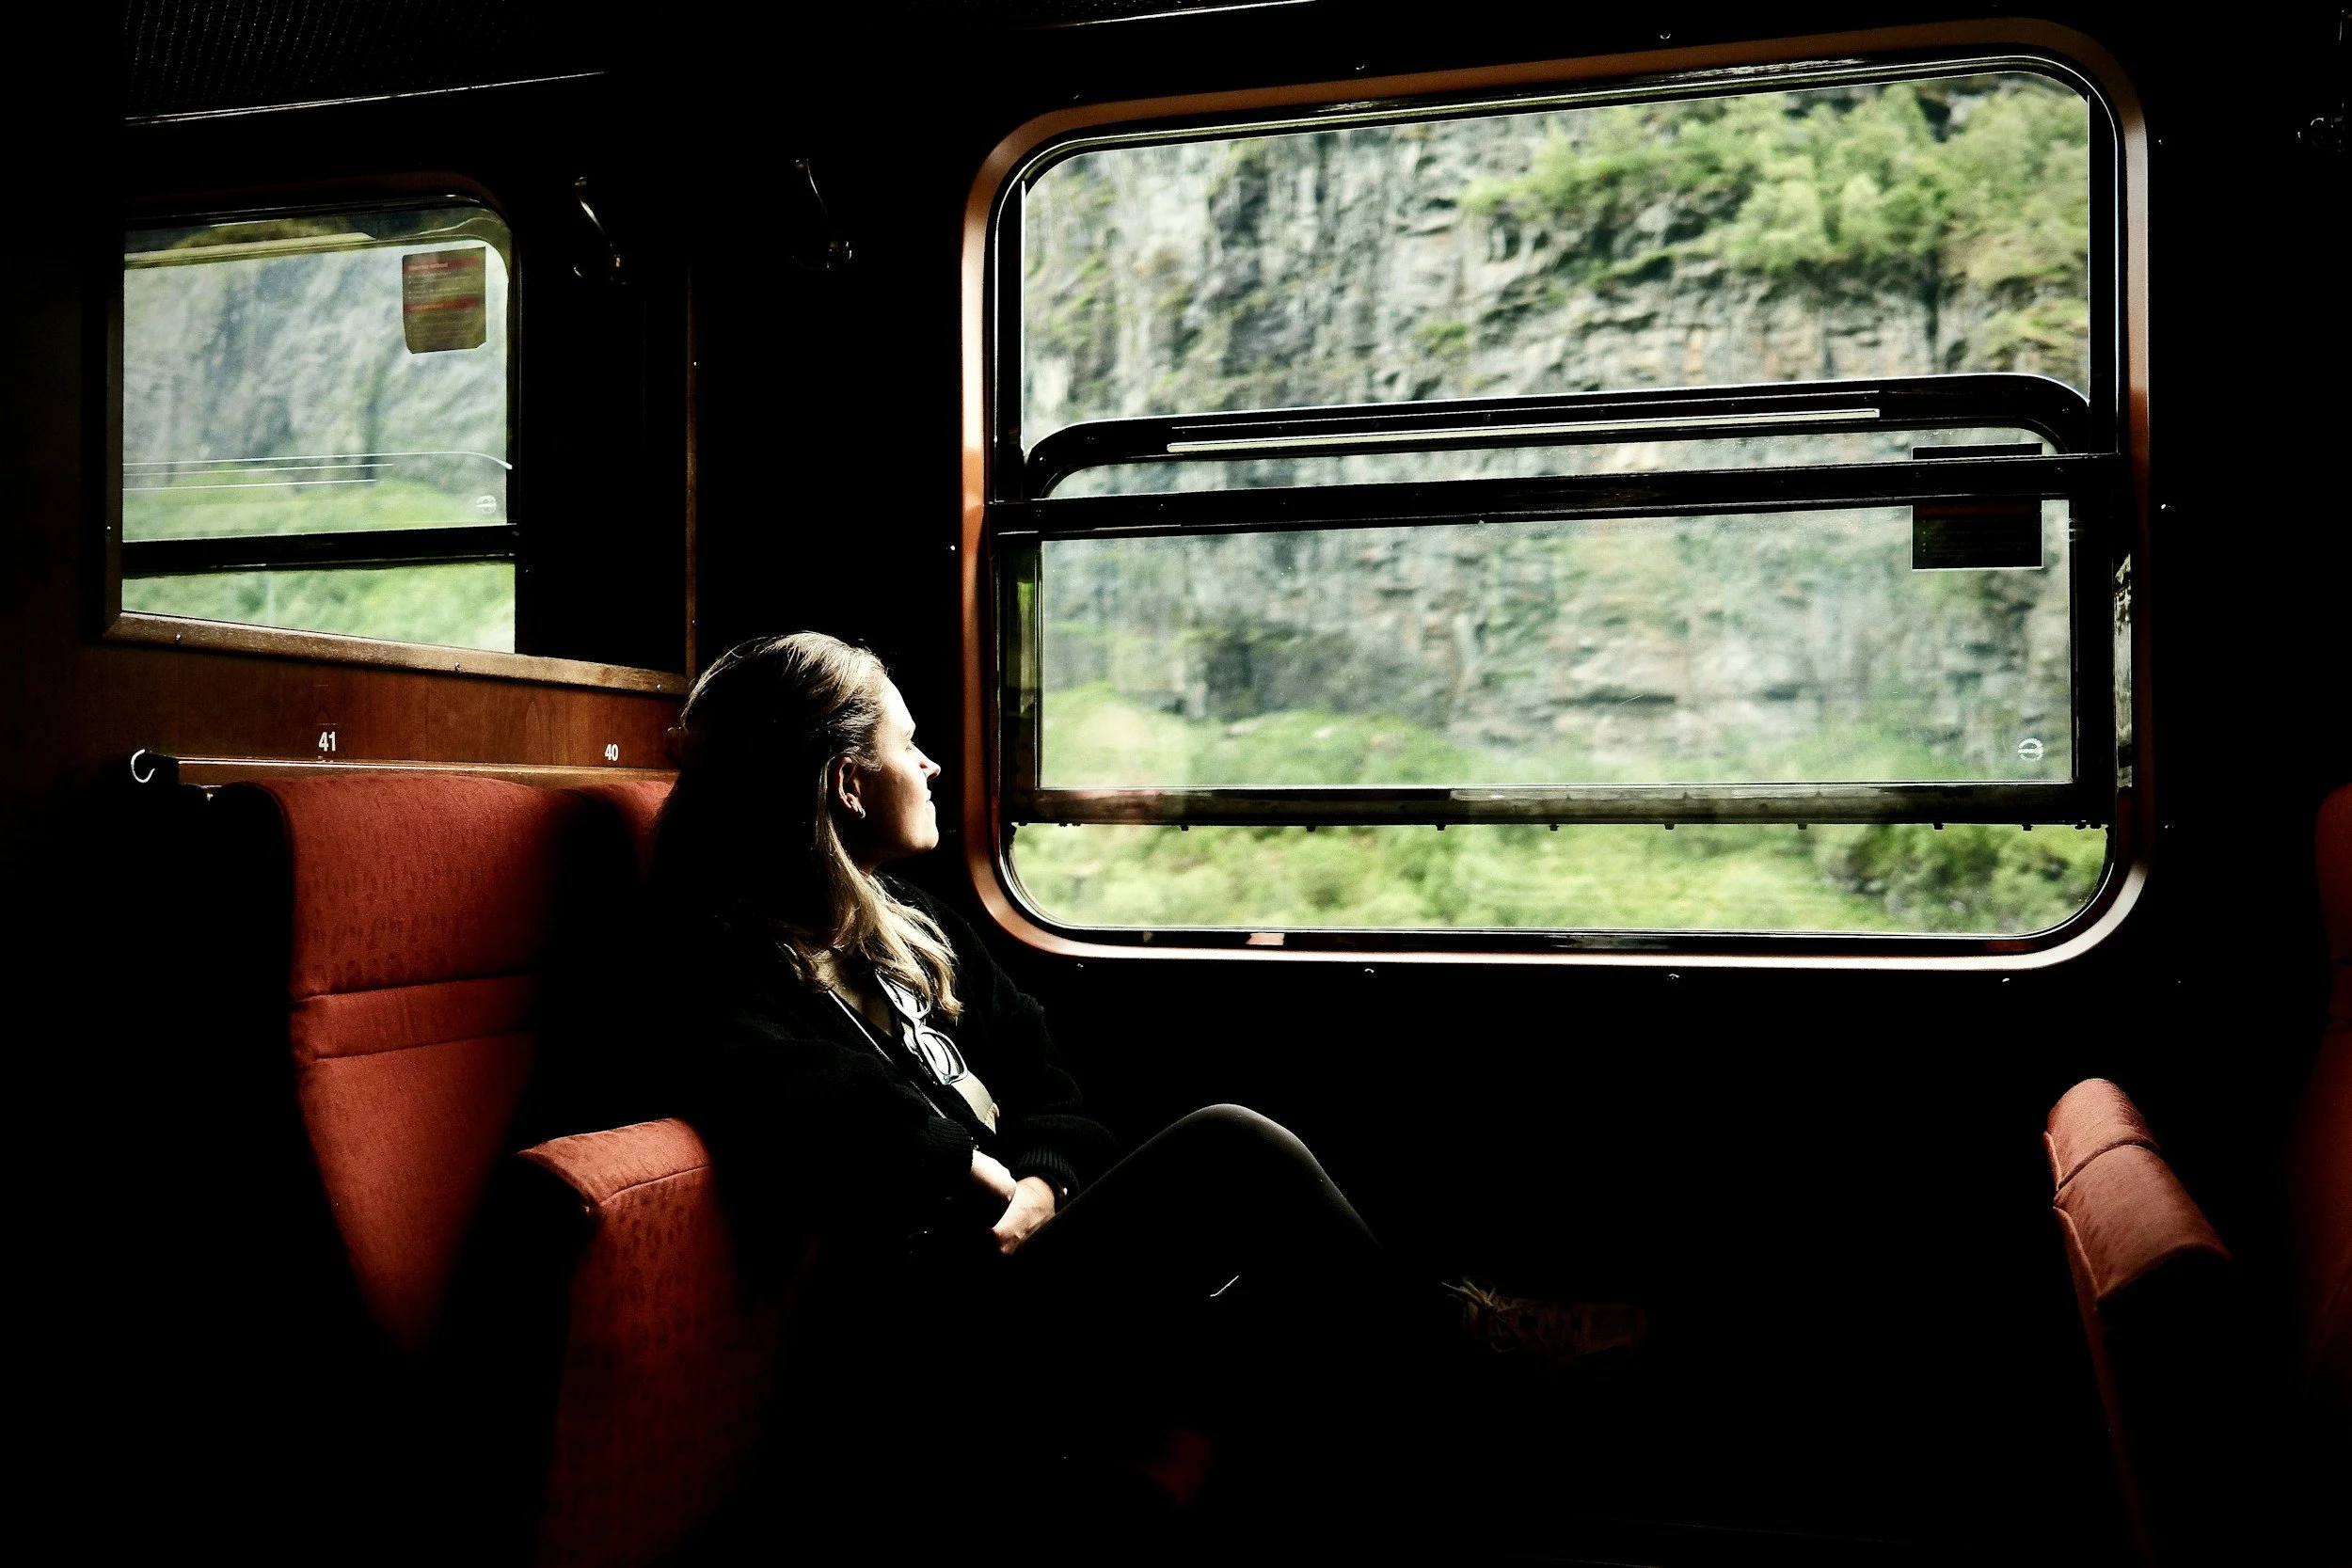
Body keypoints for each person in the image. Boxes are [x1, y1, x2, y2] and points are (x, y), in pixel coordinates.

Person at [647, 631, 1631, 1549]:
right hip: (937, 1331)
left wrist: (1043, 1179)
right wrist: (963, 1173)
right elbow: (786, 1089)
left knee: (1281, 1303)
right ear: (847, 782)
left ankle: (1466, 1388)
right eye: (909, 746)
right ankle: (1467, 1349)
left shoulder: (912, 925)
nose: (933, 765)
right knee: (1229, 1145)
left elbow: (1053, 1091)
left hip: (1029, 1261)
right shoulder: (717, 962)